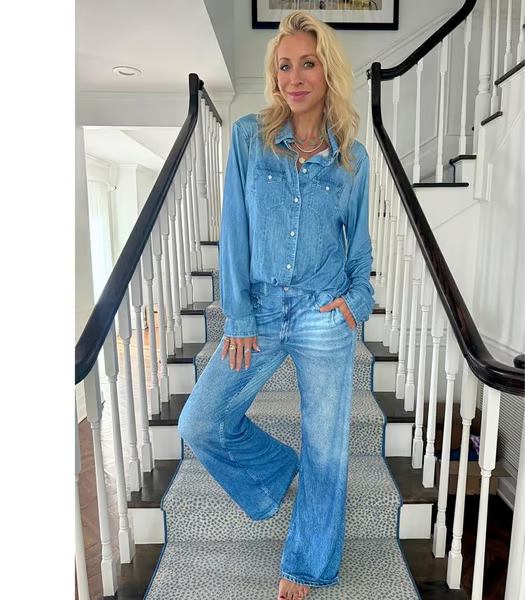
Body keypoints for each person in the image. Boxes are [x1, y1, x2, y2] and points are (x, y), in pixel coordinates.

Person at [178, 10, 375, 600]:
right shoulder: (248, 138)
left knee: (327, 447)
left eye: (307, 63)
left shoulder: (352, 158)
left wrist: (356, 302)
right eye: (284, 66)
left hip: (323, 312)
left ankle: (307, 565)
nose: (294, 77)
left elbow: (360, 248)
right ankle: (274, 470)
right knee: (201, 421)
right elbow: (233, 231)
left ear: (327, 71)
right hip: (259, 311)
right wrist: (237, 314)